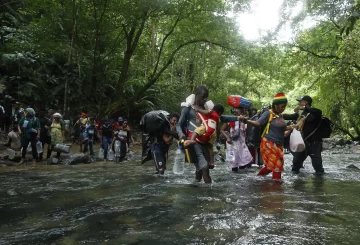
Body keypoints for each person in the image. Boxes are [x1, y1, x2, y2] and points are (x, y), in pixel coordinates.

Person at [176, 85, 241, 183]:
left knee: (200, 171)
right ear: (196, 95)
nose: (205, 99)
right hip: (194, 142)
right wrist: (181, 134)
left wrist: (237, 118)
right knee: (205, 167)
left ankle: (195, 188)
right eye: (203, 97)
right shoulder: (188, 109)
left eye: (206, 97)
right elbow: (178, 124)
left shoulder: (207, 110)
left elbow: (222, 118)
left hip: (206, 143)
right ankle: (208, 194)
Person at [240, 93, 293, 181]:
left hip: (278, 144)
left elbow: (282, 128)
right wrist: (246, 121)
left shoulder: (280, 115)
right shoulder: (268, 113)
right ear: (275, 105)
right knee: (277, 166)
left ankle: (257, 179)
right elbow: (258, 123)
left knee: (269, 167)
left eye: (285, 107)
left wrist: (290, 127)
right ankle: (276, 189)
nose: (283, 109)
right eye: (282, 106)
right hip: (269, 143)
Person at [286, 95, 324, 175]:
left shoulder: (314, 112)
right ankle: (297, 184)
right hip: (303, 142)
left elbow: (319, 111)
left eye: (300, 101)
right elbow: (291, 116)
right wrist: (278, 114)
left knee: (318, 168)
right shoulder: (303, 114)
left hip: (314, 143)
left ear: (305, 102)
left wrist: (303, 108)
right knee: (295, 165)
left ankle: (319, 185)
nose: (299, 103)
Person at [188, 104, 225, 169]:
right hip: (212, 134)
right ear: (220, 113)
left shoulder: (212, 112)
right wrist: (218, 138)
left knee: (197, 130)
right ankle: (212, 162)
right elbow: (218, 129)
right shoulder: (218, 118)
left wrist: (198, 110)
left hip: (206, 129)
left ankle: (192, 140)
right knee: (210, 148)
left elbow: (207, 112)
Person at [221, 107, 253, 171]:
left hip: (241, 143)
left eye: (239, 109)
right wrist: (227, 138)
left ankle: (242, 178)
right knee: (233, 163)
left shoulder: (244, 119)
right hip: (231, 143)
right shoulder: (229, 119)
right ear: (233, 110)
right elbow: (221, 130)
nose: (238, 111)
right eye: (236, 109)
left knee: (245, 162)